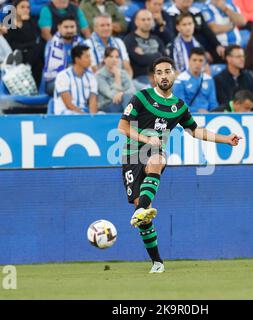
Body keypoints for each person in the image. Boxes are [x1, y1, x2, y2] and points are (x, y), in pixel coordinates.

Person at [117, 56, 242, 273]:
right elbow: (123, 127)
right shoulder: (141, 97)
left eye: (167, 71)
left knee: (158, 159)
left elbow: (195, 131)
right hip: (131, 157)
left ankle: (140, 210)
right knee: (144, 219)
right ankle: (157, 261)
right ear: (154, 77)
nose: (164, 76)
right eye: (159, 72)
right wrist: (147, 139)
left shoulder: (179, 106)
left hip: (153, 153)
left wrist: (225, 139)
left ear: (174, 74)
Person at [4, 0, 45, 86]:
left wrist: (26, 22)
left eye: (28, 7)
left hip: (29, 52)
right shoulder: (9, 21)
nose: (26, 10)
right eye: (22, 7)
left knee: (40, 48)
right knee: (36, 49)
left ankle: (29, 71)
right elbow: (10, 43)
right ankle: (27, 68)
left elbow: (31, 39)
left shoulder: (31, 21)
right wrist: (26, 46)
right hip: (14, 54)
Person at [43, 15, 85, 95]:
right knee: (72, 86)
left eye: (72, 27)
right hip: (54, 80)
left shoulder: (81, 42)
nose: (69, 30)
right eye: (66, 27)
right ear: (59, 27)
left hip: (78, 78)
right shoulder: (52, 44)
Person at [124, 9, 166, 89]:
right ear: (136, 22)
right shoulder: (129, 39)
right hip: (140, 78)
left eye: (149, 19)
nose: (146, 22)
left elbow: (165, 58)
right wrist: (158, 55)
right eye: (143, 20)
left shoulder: (156, 39)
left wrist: (145, 55)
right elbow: (140, 60)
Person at [53, 44, 97, 114]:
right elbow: (68, 104)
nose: (90, 60)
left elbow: (92, 101)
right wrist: (84, 117)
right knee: (72, 114)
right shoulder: (63, 76)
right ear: (77, 59)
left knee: (101, 114)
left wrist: (92, 118)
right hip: (66, 113)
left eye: (90, 56)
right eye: (87, 57)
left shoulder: (91, 77)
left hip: (84, 113)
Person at [173, 47, 218, 112]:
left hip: (208, 116)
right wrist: (197, 111)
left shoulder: (209, 79)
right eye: (194, 60)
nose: (197, 63)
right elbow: (179, 106)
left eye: (200, 60)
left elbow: (213, 103)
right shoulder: (180, 80)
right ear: (189, 61)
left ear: (204, 62)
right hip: (188, 118)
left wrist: (212, 114)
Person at [96, 47, 136, 112]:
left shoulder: (123, 73)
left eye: (117, 57)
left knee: (130, 98)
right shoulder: (99, 76)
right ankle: (132, 121)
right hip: (107, 105)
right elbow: (111, 95)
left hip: (123, 102)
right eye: (111, 57)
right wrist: (117, 77)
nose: (114, 60)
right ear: (104, 59)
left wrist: (122, 93)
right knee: (127, 98)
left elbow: (133, 90)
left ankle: (131, 121)